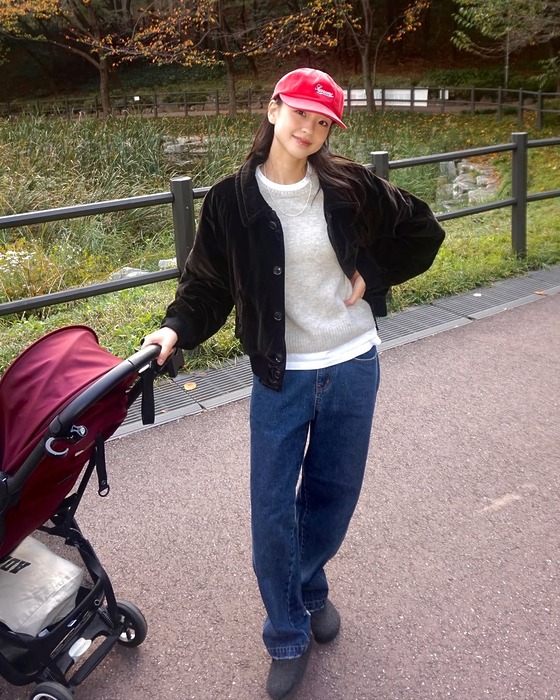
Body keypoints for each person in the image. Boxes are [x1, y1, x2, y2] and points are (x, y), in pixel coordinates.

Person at [143, 67, 445, 699]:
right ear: (274, 109)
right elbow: (207, 286)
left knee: (333, 496)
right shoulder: (230, 202)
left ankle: (309, 586)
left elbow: (423, 229)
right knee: (274, 511)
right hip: (281, 377)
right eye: (300, 112)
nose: (309, 128)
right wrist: (173, 330)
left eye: (323, 120)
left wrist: (373, 272)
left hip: (353, 364)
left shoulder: (350, 186)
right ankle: (286, 632)